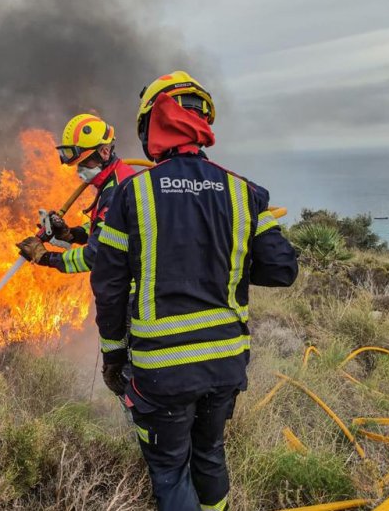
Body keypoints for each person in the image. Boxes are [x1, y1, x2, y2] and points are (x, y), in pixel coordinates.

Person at [90, 71, 298, 510]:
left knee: (170, 469)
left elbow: (109, 287)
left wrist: (112, 357)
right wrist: (222, 264)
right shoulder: (246, 192)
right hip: (225, 364)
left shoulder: (131, 194)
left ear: (153, 124)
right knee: (210, 454)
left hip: (162, 370)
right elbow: (282, 270)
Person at [16, 114, 135, 274]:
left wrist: (46, 257)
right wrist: (70, 234)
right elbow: (109, 229)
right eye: (78, 164)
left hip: (130, 292)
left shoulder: (117, 190)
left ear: (105, 152)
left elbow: (96, 255)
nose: (80, 170)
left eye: (84, 162)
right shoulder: (114, 181)